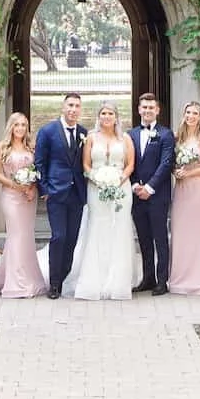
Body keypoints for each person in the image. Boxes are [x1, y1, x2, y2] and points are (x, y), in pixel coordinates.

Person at [64, 101, 139, 299]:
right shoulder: (90, 138)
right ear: (99, 116)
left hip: (121, 189)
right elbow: (86, 165)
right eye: (103, 113)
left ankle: (118, 281)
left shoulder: (125, 139)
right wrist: (97, 179)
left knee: (119, 229)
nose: (107, 117)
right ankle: (93, 280)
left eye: (110, 113)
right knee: (97, 229)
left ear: (116, 117)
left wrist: (118, 180)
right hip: (96, 189)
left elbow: (130, 164)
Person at [32, 92, 88, 298]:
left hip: (77, 194)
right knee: (59, 237)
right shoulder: (48, 131)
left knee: (72, 239)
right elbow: (39, 162)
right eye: (70, 105)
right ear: (63, 107)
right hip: (56, 193)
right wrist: (44, 189)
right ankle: (54, 283)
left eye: (77, 106)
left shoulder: (84, 133)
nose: (73, 109)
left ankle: (64, 276)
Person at [0, 111, 46, 297]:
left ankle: (28, 278)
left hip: (28, 196)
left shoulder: (31, 148)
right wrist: (15, 185)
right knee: (15, 235)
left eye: (23, 125)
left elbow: (37, 171)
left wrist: (31, 187)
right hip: (11, 196)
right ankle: (15, 282)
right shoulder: (2, 148)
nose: (20, 128)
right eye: (17, 125)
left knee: (26, 236)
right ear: (11, 127)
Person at [167, 100, 200, 296]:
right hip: (180, 190)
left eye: (195, 113)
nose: (191, 116)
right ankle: (179, 279)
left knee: (196, 233)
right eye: (188, 112)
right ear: (184, 114)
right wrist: (176, 171)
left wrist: (190, 173)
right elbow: (171, 162)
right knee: (180, 232)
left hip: (197, 189)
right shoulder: (177, 138)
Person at [127, 90, 175, 293]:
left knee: (160, 238)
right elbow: (128, 162)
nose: (147, 111)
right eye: (144, 107)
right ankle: (147, 278)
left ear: (157, 110)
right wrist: (134, 185)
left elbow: (166, 164)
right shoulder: (130, 135)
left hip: (157, 195)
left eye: (151, 108)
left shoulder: (166, 134)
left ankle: (162, 280)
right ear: (139, 110)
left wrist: (149, 187)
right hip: (137, 195)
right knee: (144, 238)